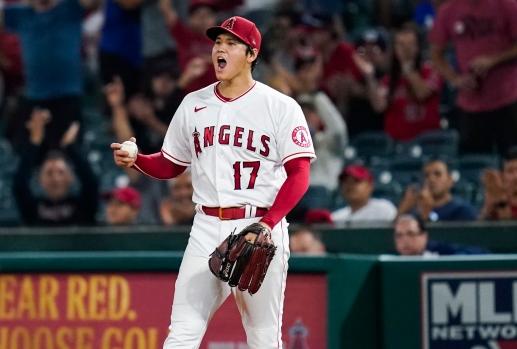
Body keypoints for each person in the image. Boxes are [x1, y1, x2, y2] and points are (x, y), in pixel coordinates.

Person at [111, 16, 315, 348]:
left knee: (263, 336)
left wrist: (267, 223)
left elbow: (299, 174)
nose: (220, 49)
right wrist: (138, 160)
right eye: (218, 43)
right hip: (206, 225)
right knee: (182, 331)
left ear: (251, 54)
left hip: (258, 224)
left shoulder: (280, 107)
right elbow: (170, 164)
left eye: (231, 43)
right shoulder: (193, 104)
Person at [0, 0, 100, 153]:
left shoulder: (71, 7)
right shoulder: (20, 13)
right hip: (35, 101)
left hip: (67, 100)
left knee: (71, 159)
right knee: (28, 159)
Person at [429, 0, 517, 157]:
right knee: (473, 165)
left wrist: (493, 60)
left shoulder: (507, 5)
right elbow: (435, 55)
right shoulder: (449, 10)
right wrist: (455, 79)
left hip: (508, 99)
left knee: (513, 162)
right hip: (470, 103)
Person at [13, 109, 99, 226]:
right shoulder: (33, 210)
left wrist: (70, 147)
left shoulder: (83, 207)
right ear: (40, 179)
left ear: (71, 177)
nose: (55, 179)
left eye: (61, 172)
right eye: (49, 173)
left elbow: (91, 183)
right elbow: (19, 186)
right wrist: (34, 142)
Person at [363, 24, 443, 142]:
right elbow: (379, 106)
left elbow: (422, 93)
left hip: (428, 142)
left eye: (409, 44)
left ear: (417, 47)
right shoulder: (389, 79)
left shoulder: (432, 71)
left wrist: (406, 64)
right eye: (400, 44)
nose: (405, 49)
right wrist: (369, 76)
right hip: (397, 144)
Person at [159, 0, 218, 94]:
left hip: (218, 98)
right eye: (199, 15)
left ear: (215, 18)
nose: (204, 19)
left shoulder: (223, 41)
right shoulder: (184, 37)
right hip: (190, 96)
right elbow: (165, 9)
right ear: (190, 19)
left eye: (208, 15)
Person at [397, 159, 477, 221]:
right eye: (426, 175)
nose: (431, 179)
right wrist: (404, 208)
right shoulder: (415, 212)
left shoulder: (462, 209)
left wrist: (426, 216)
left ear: (449, 180)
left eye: (437, 174)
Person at [394, 214, 489, 256]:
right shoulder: (389, 264)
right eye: (399, 235)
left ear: (424, 236)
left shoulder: (442, 256)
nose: (404, 240)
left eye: (410, 234)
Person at [331, 164, 397, 224]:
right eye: (345, 182)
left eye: (356, 181)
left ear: (370, 186)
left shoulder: (384, 209)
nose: (350, 185)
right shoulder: (337, 217)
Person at [478, 147, 517, 220]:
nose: (516, 176)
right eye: (510, 171)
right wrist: (487, 208)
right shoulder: (494, 201)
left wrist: (501, 203)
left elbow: (510, 230)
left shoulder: (499, 201)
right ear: (502, 176)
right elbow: (477, 230)